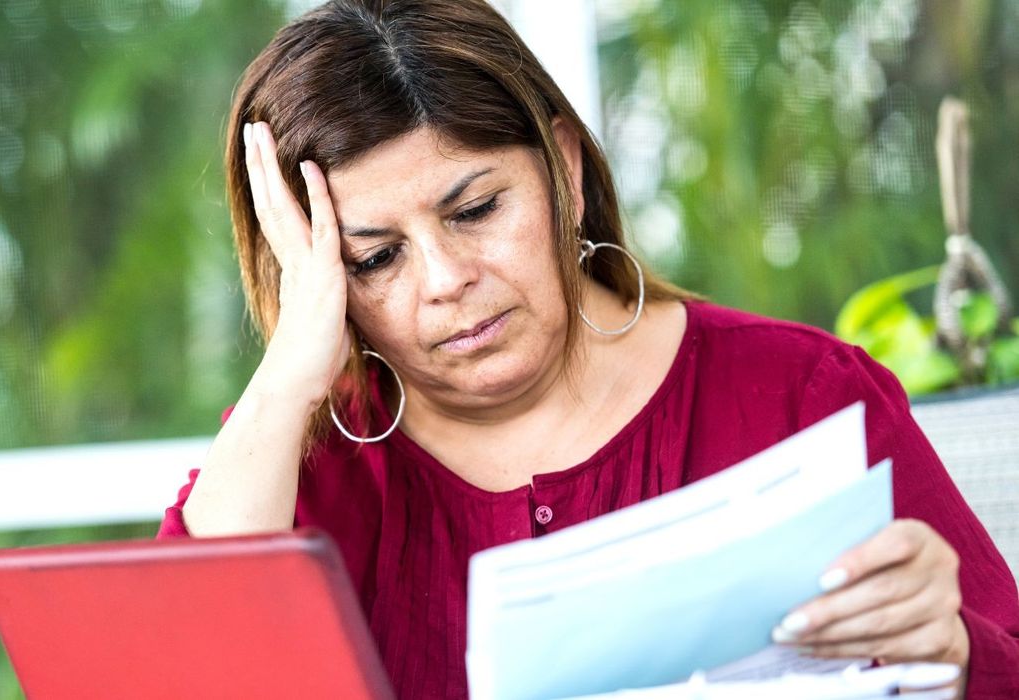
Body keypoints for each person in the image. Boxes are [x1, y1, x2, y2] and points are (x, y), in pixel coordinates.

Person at [157, 1, 1019, 697]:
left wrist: (948, 650)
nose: (446, 280)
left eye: (475, 211)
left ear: (563, 171)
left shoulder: (803, 394)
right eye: (375, 259)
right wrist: (287, 379)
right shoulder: (297, 461)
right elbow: (182, 671)